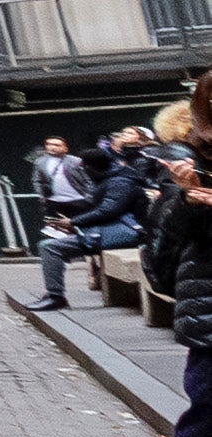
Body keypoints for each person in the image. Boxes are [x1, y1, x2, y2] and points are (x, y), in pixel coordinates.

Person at [142, 146, 212, 437]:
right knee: (208, 409)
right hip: (206, 310)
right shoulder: (190, 174)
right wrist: (187, 198)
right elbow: (168, 243)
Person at [36, 132, 157, 308]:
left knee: (49, 247)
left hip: (129, 232)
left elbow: (108, 210)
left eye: (84, 167)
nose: (83, 171)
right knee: (49, 245)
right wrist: (75, 226)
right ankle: (54, 295)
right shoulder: (112, 178)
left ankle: (55, 297)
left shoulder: (120, 182)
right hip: (114, 230)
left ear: (90, 167)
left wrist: (73, 222)